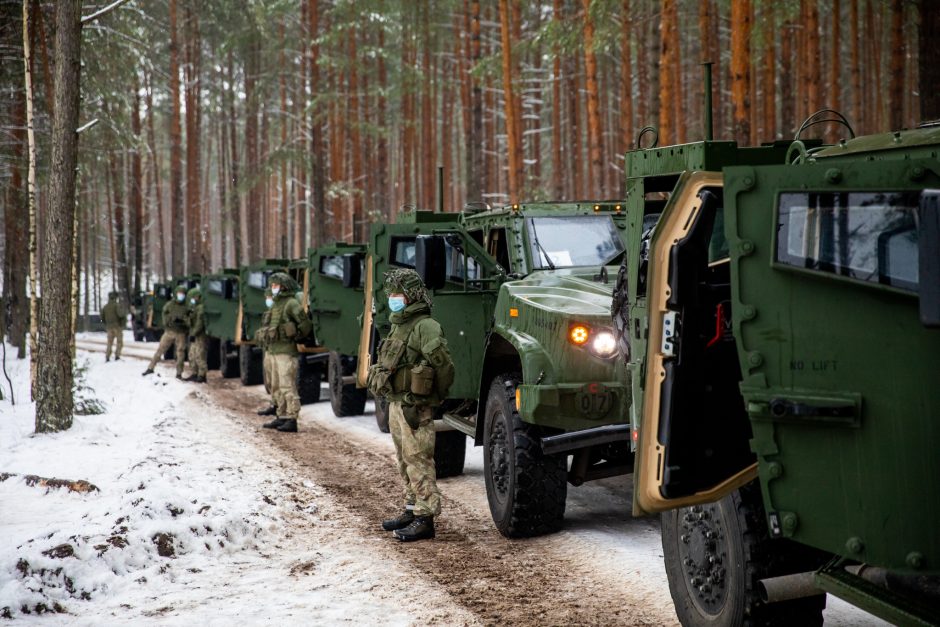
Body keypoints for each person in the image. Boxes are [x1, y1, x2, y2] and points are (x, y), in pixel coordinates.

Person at [368, 269, 454, 542]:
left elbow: (444, 367)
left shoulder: (425, 326)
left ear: (411, 295)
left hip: (414, 406)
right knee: (404, 460)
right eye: (391, 293)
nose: (392, 298)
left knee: (418, 460)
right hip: (396, 403)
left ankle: (425, 517)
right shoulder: (398, 323)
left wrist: (431, 399)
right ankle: (411, 508)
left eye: (397, 294)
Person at [258, 272, 311, 433]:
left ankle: (292, 418)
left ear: (283, 287)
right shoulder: (275, 304)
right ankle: (281, 415)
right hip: (273, 350)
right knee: (276, 386)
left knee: (287, 385)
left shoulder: (291, 303)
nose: (273, 288)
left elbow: (305, 324)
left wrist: (297, 336)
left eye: (276, 285)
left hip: (286, 352)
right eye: (272, 285)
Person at [142, 285, 190, 378]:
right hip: (169, 331)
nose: (181, 296)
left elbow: (190, 319)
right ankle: (150, 368)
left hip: (181, 332)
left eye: (183, 294)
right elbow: (164, 314)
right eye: (179, 294)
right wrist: (168, 321)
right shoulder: (170, 305)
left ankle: (179, 373)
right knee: (160, 350)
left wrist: (184, 320)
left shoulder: (186, 306)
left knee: (180, 353)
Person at [255, 288, 278, 416]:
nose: (267, 300)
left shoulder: (279, 311)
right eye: (266, 298)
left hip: (277, 349)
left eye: (269, 297)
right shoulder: (270, 311)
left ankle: (282, 410)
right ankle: (274, 404)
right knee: (270, 380)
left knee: (278, 381)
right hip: (268, 348)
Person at [183, 287, 207, 383]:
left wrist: (194, 333)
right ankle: (194, 373)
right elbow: (190, 323)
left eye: (193, 298)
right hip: (194, 334)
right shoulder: (194, 308)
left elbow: (200, 323)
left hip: (199, 335)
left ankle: (202, 375)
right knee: (192, 355)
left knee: (199, 355)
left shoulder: (201, 308)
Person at [100, 291, 126, 362]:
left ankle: (107, 357)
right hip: (117, 327)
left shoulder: (105, 307)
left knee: (109, 343)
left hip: (109, 327)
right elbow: (120, 315)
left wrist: (106, 324)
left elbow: (102, 318)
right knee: (119, 342)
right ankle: (117, 356)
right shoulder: (116, 305)